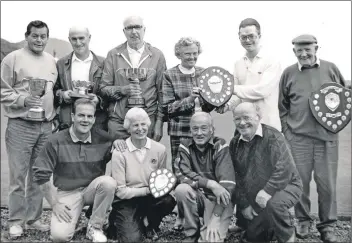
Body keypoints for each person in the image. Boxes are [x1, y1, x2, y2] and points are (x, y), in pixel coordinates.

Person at [279, 34, 347, 243]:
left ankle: (327, 226)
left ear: (317, 48)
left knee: (326, 184)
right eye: (299, 50)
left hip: (326, 140)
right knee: (300, 183)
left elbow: (344, 100)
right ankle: (303, 220)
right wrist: (288, 132)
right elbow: (283, 106)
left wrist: (334, 128)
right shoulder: (288, 73)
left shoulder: (331, 69)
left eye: (308, 49)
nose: (304, 53)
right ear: (294, 52)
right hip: (298, 139)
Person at [0, 20, 57, 238]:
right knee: (18, 176)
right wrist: (23, 100)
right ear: (27, 36)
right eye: (35, 36)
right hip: (21, 126)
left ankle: (33, 219)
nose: (39, 40)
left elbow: (52, 92)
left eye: (43, 36)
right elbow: (2, 90)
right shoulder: (12, 59)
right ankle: (15, 220)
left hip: (45, 126)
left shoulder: (52, 61)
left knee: (39, 175)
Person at [32, 98, 117, 242]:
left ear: (94, 119)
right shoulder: (55, 140)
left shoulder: (103, 138)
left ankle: (95, 227)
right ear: (72, 117)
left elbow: (121, 144)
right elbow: (41, 173)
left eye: (89, 116)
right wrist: (54, 204)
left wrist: (118, 142)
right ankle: (74, 219)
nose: (85, 120)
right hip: (68, 192)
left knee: (108, 183)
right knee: (60, 237)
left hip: (92, 190)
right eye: (81, 115)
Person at [230, 102, 302, 243]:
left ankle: (288, 235)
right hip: (257, 194)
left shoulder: (273, 136)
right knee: (253, 237)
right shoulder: (234, 143)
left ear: (258, 116)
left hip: (286, 186)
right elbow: (236, 177)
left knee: (275, 204)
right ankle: (269, 227)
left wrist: (268, 191)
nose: (242, 123)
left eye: (246, 117)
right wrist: (244, 205)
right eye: (237, 119)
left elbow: (285, 169)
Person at [106, 107, 176, 242]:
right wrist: (147, 190)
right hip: (126, 201)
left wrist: (162, 187)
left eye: (143, 124)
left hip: (149, 198)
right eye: (135, 125)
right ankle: (116, 219)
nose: (140, 128)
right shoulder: (119, 152)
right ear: (128, 128)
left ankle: (151, 225)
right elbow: (120, 192)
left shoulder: (160, 149)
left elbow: (161, 180)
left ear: (148, 125)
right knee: (132, 239)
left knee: (168, 201)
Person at [99, 15, 166, 141]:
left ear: (144, 30)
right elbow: (103, 88)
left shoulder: (157, 55)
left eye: (137, 27)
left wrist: (159, 123)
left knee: (144, 159)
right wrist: (122, 90)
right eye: (129, 28)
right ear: (124, 31)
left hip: (147, 121)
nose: (134, 32)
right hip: (119, 121)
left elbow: (162, 92)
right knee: (119, 159)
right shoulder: (113, 55)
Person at [174, 112, 236, 242]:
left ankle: (209, 225)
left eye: (204, 128)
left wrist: (216, 217)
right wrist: (210, 184)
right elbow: (181, 173)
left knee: (209, 240)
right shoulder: (185, 145)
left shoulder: (220, 145)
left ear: (212, 130)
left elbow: (227, 186)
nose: (199, 133)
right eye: (195, 129)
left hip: (219, 201)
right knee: (182, 189)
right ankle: (192, 233)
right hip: (200, 196)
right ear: (190, 130)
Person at [217, 18, 282, 132]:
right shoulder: (238, 63)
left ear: (259, 35)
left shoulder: (271, 61)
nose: (247, 40)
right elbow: (238, 96)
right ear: (239, 37)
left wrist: (230, 88)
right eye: (243, 37)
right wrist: (227, 106)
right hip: (245, 127)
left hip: (267, 125)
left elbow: (262, 90)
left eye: (251, 36)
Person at [162, 37, 214, 171]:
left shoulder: (204, 73)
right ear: (179, 55)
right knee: (181, 168)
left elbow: (209, 106)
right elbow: (168, 108)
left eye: (195, 53)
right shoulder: (169, 75)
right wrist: (190, 99)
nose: (192, 57)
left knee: (205, 168)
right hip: (180, 130)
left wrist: (215, 99)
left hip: (203, 129)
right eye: (187, 54)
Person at [54, 26, 107, 131]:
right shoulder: (61, 64)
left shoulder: (104, 63)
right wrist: (63, 95)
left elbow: (109, 91)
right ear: (69, 40)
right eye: (74, 39)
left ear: (89, 38)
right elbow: (53, 91)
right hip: (68, 122)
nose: (78, 43)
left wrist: (99, 100)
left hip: (96, 123)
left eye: (81, 38)